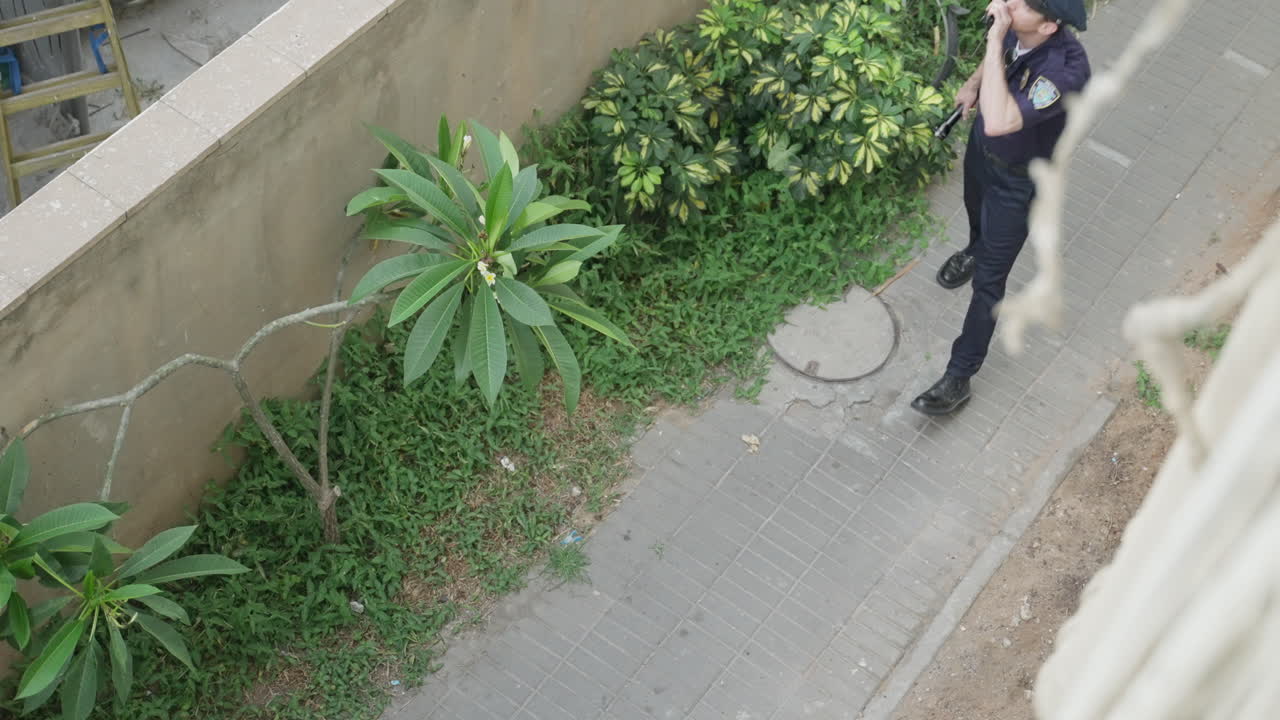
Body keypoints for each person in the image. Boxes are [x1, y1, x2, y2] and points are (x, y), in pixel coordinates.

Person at [911, 0, 1092, 416]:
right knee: (975, 213)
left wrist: (993, 40)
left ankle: (959, 376)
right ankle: (975, 247)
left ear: (1048, 26)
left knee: (990, 283)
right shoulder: (1018, 27)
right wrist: (975, 82)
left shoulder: (1065, 71)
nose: (1010, 5)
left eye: (1025, 5)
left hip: (1018, 181)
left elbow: (1001, 121)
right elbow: (1001, 58)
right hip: (982, 152)